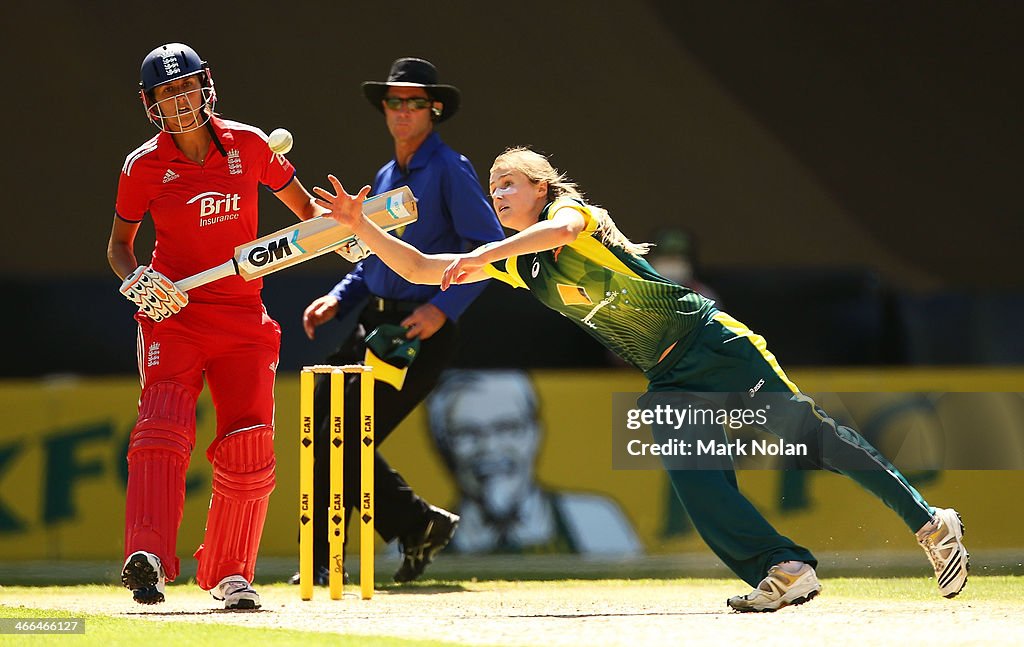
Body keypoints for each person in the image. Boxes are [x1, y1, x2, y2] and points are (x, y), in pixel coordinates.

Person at [312, 146, 970, 612]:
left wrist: (488, 249)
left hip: (714, 344)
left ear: (541, 188)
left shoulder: (577, 221)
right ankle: (784, 567)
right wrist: (360, 227)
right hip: (668, 372)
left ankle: (929, 520)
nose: (498, 195)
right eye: (493, 188)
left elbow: (555, 231)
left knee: (812, 439)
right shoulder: (522, 265)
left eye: (508, 183)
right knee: (697, 483)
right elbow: (428, 268)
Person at [107, 43, 328, 609]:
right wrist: (135, 281)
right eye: (166, 92)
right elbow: (119, 247)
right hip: (173, 314)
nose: (179, 100)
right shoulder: (143, 166)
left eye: (186, 87)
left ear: (206, 86)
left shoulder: (251, 146)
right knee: (162, 430)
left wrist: (351, 233)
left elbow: (308, 215)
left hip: (242, 317)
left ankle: (231, 572)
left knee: (249, 443)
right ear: (150, 103)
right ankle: (149, 558)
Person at [295, 57, 505, 585]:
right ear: (384, 109)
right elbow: (375, 257)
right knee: (326, 430)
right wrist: (339, 298)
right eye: (394, 101)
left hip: (417, 330)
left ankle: (328, 560)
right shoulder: (388, 175)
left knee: (342, 438)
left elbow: (491, 253)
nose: (403, 111)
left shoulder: (451, 169)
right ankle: (417, 524)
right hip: (374, 320)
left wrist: (443, 308)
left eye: (415, 102)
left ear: (434, 110)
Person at [426, 370, 642, 555]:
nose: (490, 448)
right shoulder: (420, 539)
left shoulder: (595, 522)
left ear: (535, 434)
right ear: (442, 445)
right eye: (467, 433)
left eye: (508, 428)